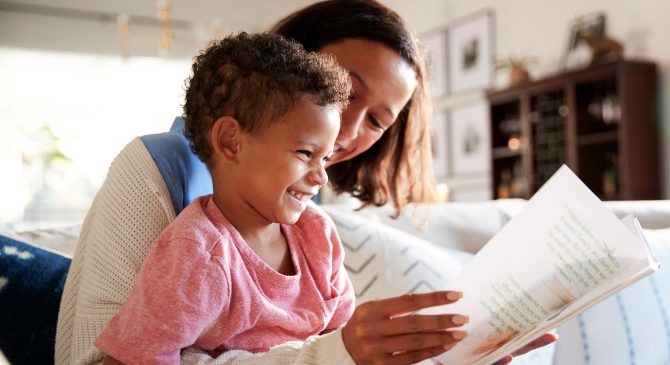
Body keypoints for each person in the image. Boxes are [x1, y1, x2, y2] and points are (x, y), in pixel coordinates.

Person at [55, 1, 556, 364]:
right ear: (294, 55)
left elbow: (333, 340)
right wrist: (334, 354)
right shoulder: (163, 182)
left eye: (378, 120)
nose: (347, 132)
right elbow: (108, 357)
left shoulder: (304, 217)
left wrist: (451, 352)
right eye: (344, 89)